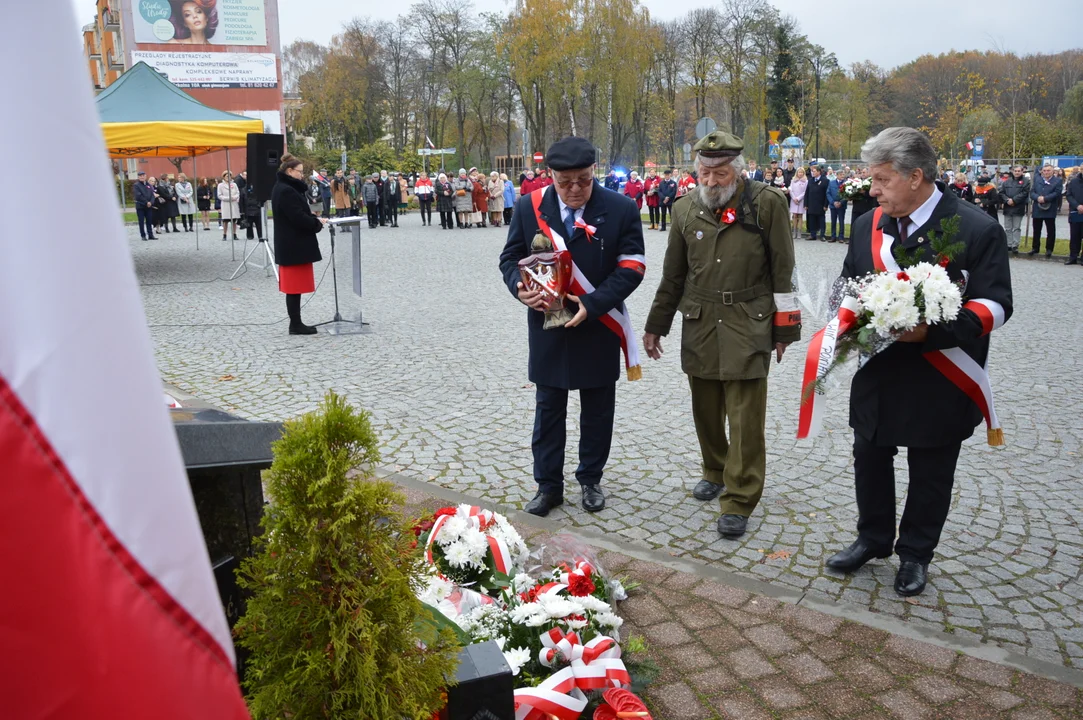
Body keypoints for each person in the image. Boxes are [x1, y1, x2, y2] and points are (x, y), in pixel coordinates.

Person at [826, 127, 1013, 597]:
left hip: (941, 372)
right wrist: (844, 314)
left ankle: (915, 554)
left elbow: (995, 305)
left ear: (915, 176)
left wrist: (931, 330)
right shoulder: (867, 224)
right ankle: (872, 538)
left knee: (931, 468)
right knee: (869, 455)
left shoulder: (976, 228)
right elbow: (850, 281)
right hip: (879, 369)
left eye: (882, 180)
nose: (872, 190)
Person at [642, 130, 800, 539]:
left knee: (745, 416)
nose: (712, 181)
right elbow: (673, 275)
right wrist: (656, 325)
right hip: (700, 319)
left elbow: (784, 270)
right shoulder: (683, 209)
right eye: (705, 172)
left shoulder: (767, 204)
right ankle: (714, 468)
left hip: (749, 320)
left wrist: (786, 328)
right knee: (706, 409)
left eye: (720, 172)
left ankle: (740, 497)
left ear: (737, 170)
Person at [498, 136, 646, 517]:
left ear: (593, 171)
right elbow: (511, 257)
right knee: (548, 410)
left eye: (583, 179)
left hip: (597, 325)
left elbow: (632, 267)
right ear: (551, 176)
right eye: (565, 183)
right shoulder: (532, 207)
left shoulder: (621, 207)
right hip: (548, 325)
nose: (575, 189)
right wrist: (520, 287)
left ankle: (591, 479)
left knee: (597, 409)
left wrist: (594, 304)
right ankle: (548, 487)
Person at [272, 155, 326, 336]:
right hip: (293, 245)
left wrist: (314, 219)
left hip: (292, 244)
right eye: (300, 172)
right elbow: (297, 217)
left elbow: (299, 213)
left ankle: (296, 323)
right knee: (293, 288)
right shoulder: (286, 190)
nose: (302, 175)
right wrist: (316, 224)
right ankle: (295, 325)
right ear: (289, 171)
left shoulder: (286, 188)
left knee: (295, 288)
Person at [1030, 164, 1063, 258]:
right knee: (1036, 230)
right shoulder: (1037, 180)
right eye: (1044, 170)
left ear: (1052, 171)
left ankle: (1049, 249)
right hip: (1038, 207)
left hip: (1050, 208)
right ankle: (1035, 248)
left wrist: (1045, 198)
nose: (1046, 172)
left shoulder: (1057, 181)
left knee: (1050, 230)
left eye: (1048, 170)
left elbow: (1057, 193)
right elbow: (1032, 192)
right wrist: (1037, 198)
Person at [999, 166, 1029, 256]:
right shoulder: (1007, 181)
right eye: (1015, 171)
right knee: (1008, 228)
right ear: (1012, 171)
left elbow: (1025, 193)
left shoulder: (1026, 181)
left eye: (1019, 171)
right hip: (1008, 207)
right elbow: (1001, 192)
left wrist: (1014, 200)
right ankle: (1008, 244)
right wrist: (1007, 200)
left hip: (1018, 206)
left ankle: (1015, 245)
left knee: (1016, 227)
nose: (1017, 172)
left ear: (1022, 171)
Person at [806, 164, 829, 241]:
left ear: (819, 172)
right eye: (812, 171)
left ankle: (822, 235)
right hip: (811, 204)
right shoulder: (810, 180)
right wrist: (806, 204)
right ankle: (813, 234)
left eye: (814, 171)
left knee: (821, 220)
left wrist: (826, 205)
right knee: (812, 220)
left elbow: (827, 194)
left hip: (821, 204)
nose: (813, 173)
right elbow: (807, 193)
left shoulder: (825, 181)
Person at [1066, 167, 1083, 265]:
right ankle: (1073, 256)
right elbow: (1069, 195)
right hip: (1075, 212)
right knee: (1074, 236)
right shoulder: (1074, 181)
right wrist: (1077, 206)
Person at [217, 170, 240, 241]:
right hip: (226, 204)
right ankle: (224, 234)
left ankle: (234, 234)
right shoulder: (220, 185)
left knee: (234, 220)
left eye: (229, 176)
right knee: (225, 221)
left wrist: (235, 197)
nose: (228, 177)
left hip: (233, 204)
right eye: (227, 176)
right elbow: (219, 195)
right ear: (224, 177)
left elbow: (237, 193)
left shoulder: (234, 184)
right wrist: (228, 198)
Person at [134, 171, 156, 241]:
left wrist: (151, 202)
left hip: (149, 206)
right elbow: (138, 195)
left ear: (145, 176)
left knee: (149, 221)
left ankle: (150, 235)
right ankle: (143, 235)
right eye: (140, 176)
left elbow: (152, 194)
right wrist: (146, 202)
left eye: (143, 175)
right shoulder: (136, 185)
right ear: (138, 177)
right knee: (141, 221)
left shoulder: (149, 185)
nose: (142, 177)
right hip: (141, 206)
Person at [241, 178, 265, 242]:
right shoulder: (243, 190)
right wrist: (242, 211)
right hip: (248, 209)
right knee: (249, 224)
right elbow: (241, 201)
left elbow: (262, 198)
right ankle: (250, 235)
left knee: (259, 224)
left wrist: (259, 205)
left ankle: (260, 235)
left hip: (256, 209)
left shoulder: (258, 189)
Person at [827, 167, 846, 243]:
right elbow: (828, 193)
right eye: (841, 174)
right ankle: (833, 236)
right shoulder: (831, 183)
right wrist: (833, 202)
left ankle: (841, 237)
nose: (842, 176)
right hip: (833, 205)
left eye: (843, 174)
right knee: (833, 221)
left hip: (842, 206)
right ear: (837, 175)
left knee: (841, 221)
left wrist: (841, 202)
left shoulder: (846, 183)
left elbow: (847, 195)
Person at [788, 167, 807, 239]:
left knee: (800, 216)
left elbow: (805, 192)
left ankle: (799, 232)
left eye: (802, 172)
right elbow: (791, 190)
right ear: (797, 173)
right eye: (799, 172)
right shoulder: (793, 180)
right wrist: (794, 198)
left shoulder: (805, 181)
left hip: (801, 200)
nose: (800, 174)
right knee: (794, 216)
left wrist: (798, 198)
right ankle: (794, 231)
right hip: (793, 200)